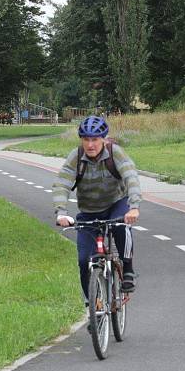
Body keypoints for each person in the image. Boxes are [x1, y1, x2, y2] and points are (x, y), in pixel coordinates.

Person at [53, 115, 142, 302]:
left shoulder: (115, 153)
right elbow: (62, 184)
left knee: (121, 226)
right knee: (84, 260)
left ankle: (128, 269)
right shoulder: (76, 157)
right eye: (86, 139)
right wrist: (61, 211)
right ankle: (93, 303)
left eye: (94, 139)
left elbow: (131, 177)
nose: (90, 144)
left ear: (103, 139)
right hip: (88, 211)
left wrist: (134, 207)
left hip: (115, 203)